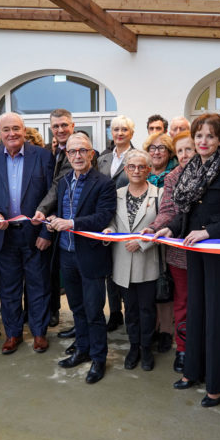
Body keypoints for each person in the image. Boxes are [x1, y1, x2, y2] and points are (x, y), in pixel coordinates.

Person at [155, 113, 220, 408]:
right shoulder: (191, 168)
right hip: (194, 253)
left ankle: (217, 384)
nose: (203, 141)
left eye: (210, 136)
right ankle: (193, 371)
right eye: (199, 135)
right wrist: (170, 227)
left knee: (218, 318)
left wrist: (209, 232)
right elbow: (187, 213)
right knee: (195, 312)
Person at [0, 112, 55, 355]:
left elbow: (53, 194)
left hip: (35, 234)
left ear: (24, 130)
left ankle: (39, 333)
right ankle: (13, 333)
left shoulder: (42, 156)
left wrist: (46, 233)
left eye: (16, 128)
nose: (11, 133)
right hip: (3, 235)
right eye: (6, 129)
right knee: (9, 289)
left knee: (38, 286)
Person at [44, 133, 117, 384]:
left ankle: (98, 358)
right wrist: (53, 222)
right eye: (73, 151)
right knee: (77, 308)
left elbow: (103, 216)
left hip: (91, 255)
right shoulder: (64, 181)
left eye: (82, 150)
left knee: (94, 311)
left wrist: (71, 223)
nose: (77, 155)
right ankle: (83, 349)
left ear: (91, 154)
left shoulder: (104, 183)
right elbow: (60, 212)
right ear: (67, 155)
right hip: (67, 254)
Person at [102, 151, 162, 370]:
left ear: (148, 170)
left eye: (141, 167)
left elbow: (163, 227)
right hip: (122, 261)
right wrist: (109, 231)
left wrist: (142, 243)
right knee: (131, 309)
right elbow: (113, 222)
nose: (136, 171)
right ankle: (134, 346)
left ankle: (146, 348)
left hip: (147, 262)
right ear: (125, 169)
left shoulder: (159, 194)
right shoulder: (116, 193)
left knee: (147, 309)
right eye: (132, 167)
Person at [143, 131, 196, 373]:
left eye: (189, 149)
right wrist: (154, 227)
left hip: (209, 251)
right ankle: (183, 349)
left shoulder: (214, 173)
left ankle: (203, 346)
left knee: (205, 303)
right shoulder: (173, 177)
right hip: (179, 254)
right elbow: (167, 210)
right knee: (182, 302)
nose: (185, 155)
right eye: (181, 150)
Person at [37, 108, 77, 331]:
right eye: (56, 126)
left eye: (64, 125)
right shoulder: (51, 152)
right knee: (53, 272)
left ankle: (78, 325)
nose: (60, 129)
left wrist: (41, 211)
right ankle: (56, 312)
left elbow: (57, 186)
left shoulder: (76, 151)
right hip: (53, 222)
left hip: (70, 224)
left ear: (72, 126)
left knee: (72, 278)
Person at [97, 115, 137, 331]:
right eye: (116, 129)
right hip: (106, 218)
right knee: (109, 268)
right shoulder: (102, 159)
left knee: (128, 266)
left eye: (124, 129)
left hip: (129, 218)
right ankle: (114, 312)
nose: (120, 133)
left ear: (132, 133)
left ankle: (131, 312)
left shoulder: (138, 156)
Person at [143, 132, 178, 354]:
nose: (156, 152)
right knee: (150, 285)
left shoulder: (174, 176)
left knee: (165, 285)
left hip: (167, 237)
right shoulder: (142, 172)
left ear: (169, 152)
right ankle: (153, 326)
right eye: (152, 148)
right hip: (146, 238)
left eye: (161, 148)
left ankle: (166, 330)